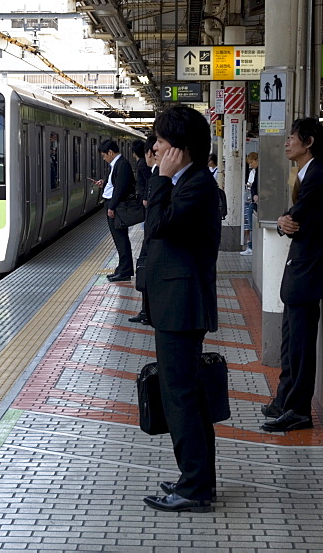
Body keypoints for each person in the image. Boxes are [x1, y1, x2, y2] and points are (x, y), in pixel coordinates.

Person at [141, 105, 221, 514]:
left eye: (161, 141)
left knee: (181, 398)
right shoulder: (188, 181)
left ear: (181, 150)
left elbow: (156, 226)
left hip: (182, 307)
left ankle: (194, 488)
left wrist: (161, 178)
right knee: (185, 396)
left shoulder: (195, 186)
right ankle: (195, 479)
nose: (154, 148)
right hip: (174, 304)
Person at [262, 118, 323, 433]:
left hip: (309, 273)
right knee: (290, 343)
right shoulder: (307, 174)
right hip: (303, 272)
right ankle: (284, 401)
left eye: (292, 137)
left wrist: (286, 219)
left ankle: (299, 411)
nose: (287, 142)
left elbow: (296, 219)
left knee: (300, 347)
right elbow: (292, 219)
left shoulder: (316, 177)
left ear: (309, 141)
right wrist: (286, 219)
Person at [94, 139, 134, 282]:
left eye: (104, 155)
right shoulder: (116, 164)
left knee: (121, 238)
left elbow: (120, 188)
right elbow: (114, 184)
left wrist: (112, 207)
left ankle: (125, 270)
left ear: (110, 152)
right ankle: (122, 268)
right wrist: (104, 183)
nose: (104, 158)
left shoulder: (122, 164)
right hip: (112, 203)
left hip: (115, 206)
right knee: (118, 239)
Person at [130, 136, 157, 325]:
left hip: (153, 232)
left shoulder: (158, 176)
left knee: (146, 266)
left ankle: (148, 312)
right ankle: (147, 310)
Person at [242, 152, 258, 255]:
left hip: (254, 201)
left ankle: (252, 247)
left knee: (251, 225)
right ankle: (250, 246)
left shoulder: (260, 172)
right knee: (249, 223)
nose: (250, 165)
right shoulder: (253, 171)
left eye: (252, 162)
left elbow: (253, 186)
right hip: (251, 199)